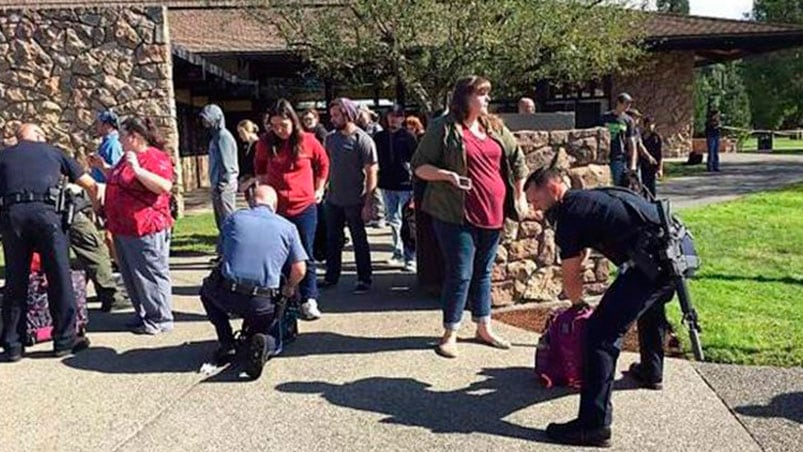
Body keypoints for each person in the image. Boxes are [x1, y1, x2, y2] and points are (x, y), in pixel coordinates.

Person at [525, 167, 683, 448]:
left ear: (550, 186)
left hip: (651, 263)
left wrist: (578, 306)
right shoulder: (589, 199)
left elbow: (571, 274)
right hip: (674, 251)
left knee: (599, 334)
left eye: (534, 199)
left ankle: (593, 426)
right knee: (651, 305)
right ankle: (651, 371)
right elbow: (585, 246)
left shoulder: (568, 215)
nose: (534, 208)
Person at [411, 76, 529, 359]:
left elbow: (518, 160)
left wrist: (519, 195)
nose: (487, 99)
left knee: (484, 273)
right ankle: (450, 332)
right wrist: (446, 175)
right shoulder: (443, 128)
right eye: (481, 94)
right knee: (460, 273)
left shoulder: (495, 127)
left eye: (488, 93)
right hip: (455, 214)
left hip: (493, 213)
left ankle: (483, 327)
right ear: (465, 97)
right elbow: (419, 166)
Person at [0, 123, 100, 362]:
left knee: (16, 279)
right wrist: (96, 208)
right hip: (48, 215)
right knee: (59, 276)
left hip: (13, 216)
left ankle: (13, 344)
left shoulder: (3, 156)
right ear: (38, 136)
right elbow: (89, 183)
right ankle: (65, 340)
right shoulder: (53, 152)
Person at [200, 185, 307, 379]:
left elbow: (223, 253)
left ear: (251, 202)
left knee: (206, 292)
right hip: (261, 303)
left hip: (226, 295)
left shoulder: (233, 219)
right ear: (274, 205)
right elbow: (300, 269)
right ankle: (266, 342)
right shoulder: (288, 227)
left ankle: (226, 341)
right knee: (273, 331)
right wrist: (289, 288)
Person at [254, 99, 329, 321]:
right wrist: (263, 189)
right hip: (277, 208)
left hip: (304, 205)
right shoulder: (265, 143)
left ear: (292, 121)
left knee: (305, 252)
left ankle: (309, 298)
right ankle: (286, 298)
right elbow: (259, 167)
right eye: (274, 126)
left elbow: (323, 163)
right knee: (279, 254)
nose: (279, 130)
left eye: (283, 125)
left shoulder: (308, 140)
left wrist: (320, 188)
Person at [102, 116, 175, 335]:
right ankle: (143, 313)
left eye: (122, 136)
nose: (119, 140)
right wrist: (104, 168)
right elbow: (122, 182)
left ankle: (160, 318)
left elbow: (163, 186)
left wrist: (138, 169)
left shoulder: (154, 157)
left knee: (150, 272)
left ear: (134, 137)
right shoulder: (127, 157)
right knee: (131, 274)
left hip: (145, 226)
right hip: (123, 227)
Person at [321, 97, 378, 294]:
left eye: (336, 115)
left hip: (355, 200)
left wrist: (368, 203)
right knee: (332, 239)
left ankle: (364, 278)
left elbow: (372, 172)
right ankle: (331, 276)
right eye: (332, 115)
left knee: (359, 239)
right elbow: (325, 167)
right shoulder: (330, 138)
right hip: (333, 199)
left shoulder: (363, 140)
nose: (333, 119)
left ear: (348, 114)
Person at [375, 104, 418, 271]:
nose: (394, 119)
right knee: (393, 220)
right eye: (391, 115)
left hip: (405, 184)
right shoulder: (379, 137)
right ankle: (397, 252)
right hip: (387, 183)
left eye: (397, 116)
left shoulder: (408, 136)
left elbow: (415, 160)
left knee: (408, 222)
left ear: (402, 118)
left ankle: (410, 256)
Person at [200, 104, 239, 257]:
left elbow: (227, 164)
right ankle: (223, 252)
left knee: (227, 220)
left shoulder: (223, 137)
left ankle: (231, 252)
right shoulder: (216, 136)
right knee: (221, 221)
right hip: (219, 185)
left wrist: (222, 184)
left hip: (225, 186)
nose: (205, 122)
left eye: (207, 118)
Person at [87, 109, 124, 267]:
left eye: (99, 124)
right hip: (102, 188)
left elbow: (116, 169)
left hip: (109, 190)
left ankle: (120, 262)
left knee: (111, 231)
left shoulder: (113, 144)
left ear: (108, 125)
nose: (97, 127)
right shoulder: (106, 143)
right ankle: (117, 260)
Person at [600, 93, 637, 187]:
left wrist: (633, 165)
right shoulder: (605, 117)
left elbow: (632, 143)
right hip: (604, 158)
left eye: (630, 103)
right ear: (619, 103)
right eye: (626, 103)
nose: (628, 106)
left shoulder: (628, 121)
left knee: (619, 186)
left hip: (619, 158)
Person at [640, 116, 664, 197]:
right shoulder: (640, 137)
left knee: (651, 185)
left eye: (652, 124)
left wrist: (660, 168)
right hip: (642, 164)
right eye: (648, 124)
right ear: (645, 125)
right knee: (642, 185)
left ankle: (652, 201)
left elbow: (660, 154)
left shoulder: (656, 137)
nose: (650, 126)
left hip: (652, 165)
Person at [236, 119, 259, 188]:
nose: (240, 135)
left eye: (241, 132)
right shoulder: (247, 146)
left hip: (256, 180)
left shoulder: (258, 145)